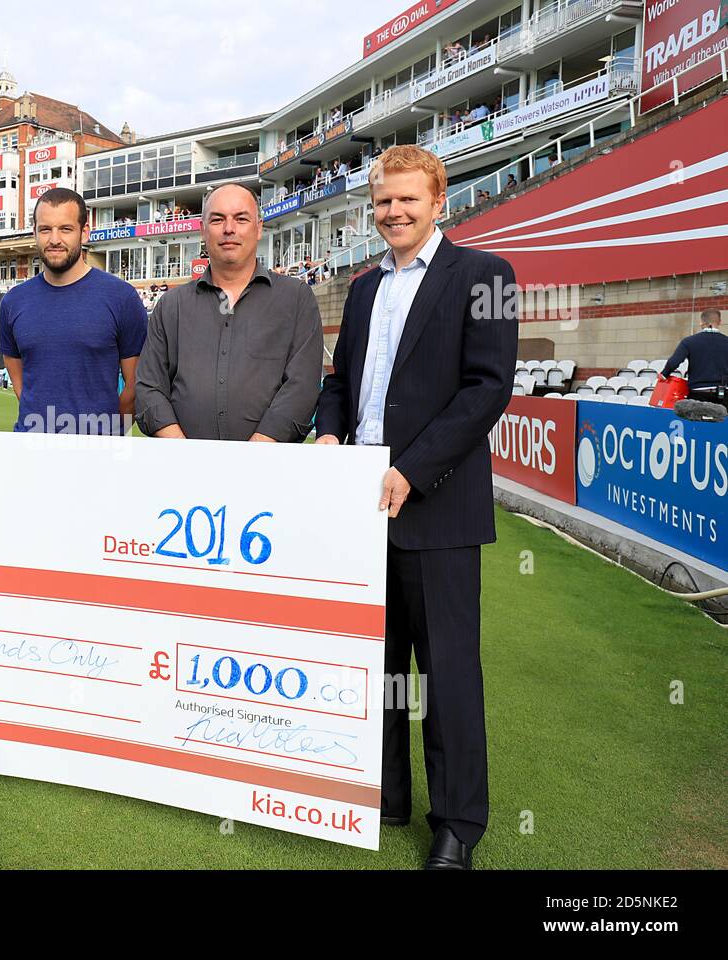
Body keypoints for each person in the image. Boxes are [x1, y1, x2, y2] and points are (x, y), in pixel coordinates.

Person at [315, 145, 517, 870]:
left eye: (407, 200)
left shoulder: (487, 276)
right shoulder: (366, 289)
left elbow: (487, 388)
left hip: (436, 505)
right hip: (361, 504)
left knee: (448, 671)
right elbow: (340, 381)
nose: (393, 213)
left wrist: (412, 468)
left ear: (440, 202)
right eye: (382, 202)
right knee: (380, 663)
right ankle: (387, 794)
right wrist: (332, 429)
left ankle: (458, 824)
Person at [136, 183, 323, 442]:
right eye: (217, 219)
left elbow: (302, 386)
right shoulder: (172, 305)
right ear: (202, 230)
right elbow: (149, 387)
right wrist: (180, 451)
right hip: (184, 471)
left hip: (269, 472)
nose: (229, 229)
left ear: (258, 228)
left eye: (241, 218)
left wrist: (255, 452)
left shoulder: (296, 299)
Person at [0, 187, 147, 435]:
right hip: (31, 450)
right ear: (35, 233)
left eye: (65, 229)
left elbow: (134, 386)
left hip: (99, 454)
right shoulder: (13, 302)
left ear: (84, 232)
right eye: (45, 229)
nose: (54, 239)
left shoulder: (122, 297)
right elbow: (20, 384)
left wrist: (107, 436)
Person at [661, 309, 728, 403]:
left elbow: (674, 362)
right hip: (723, 393)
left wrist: (664, 374)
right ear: (720, 322)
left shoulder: (689, 341)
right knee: (722, 417)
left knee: (696, 417)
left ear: (701, 322)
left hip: (698, 392)